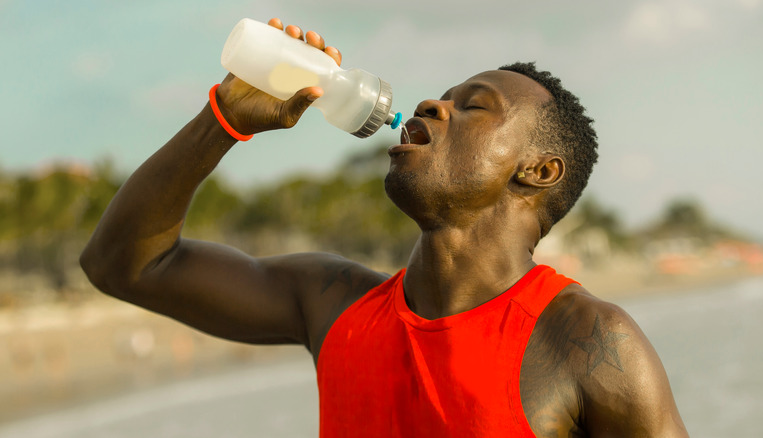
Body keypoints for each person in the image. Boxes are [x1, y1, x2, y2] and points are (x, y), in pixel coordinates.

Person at [81, 18, 688, 437]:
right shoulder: (332, 303)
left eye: (473, 106)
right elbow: (125, 265)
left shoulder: (587, 341)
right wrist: (224, 119)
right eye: (441, 96)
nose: (431, 106)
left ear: (538, 170)